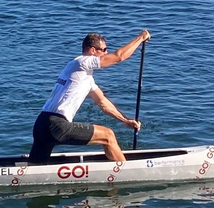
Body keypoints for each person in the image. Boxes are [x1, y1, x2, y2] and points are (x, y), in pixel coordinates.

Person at [29, 30, 151, 164]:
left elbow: (103, 102)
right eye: (104, 50)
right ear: (93, 50)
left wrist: (125, 121)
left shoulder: (83, 76)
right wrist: (140, 38)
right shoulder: (82, 62)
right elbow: (119, 56)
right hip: (57, 124)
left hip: (41, 125)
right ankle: (128, 171)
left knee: (33, 168)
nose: (106, 53)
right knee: (108, 135)